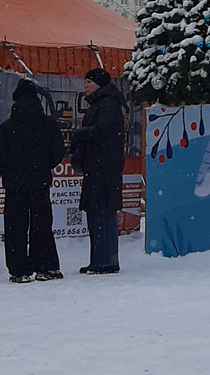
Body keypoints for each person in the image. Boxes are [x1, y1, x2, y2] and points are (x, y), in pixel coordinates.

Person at [0, 79, 66, 283]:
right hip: (39, 180)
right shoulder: (48, 124)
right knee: (42, 223)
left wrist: (8, 171)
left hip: (15, 183)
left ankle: (18, 269)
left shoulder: (8, 127)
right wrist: (43, 165)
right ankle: (46, 265)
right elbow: (58, 151)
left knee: (15, 225)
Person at [71, 69, 126, 276]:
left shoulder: (107, 104)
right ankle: (106, 259)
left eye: (89, 82)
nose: (85, 86)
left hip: (102, 167)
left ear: (99, 84)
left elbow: (103, 130)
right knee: (103, 212)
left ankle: (102, 261)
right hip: (103, 166)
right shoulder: (104, 102)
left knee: (100, 213)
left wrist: (80, 134)